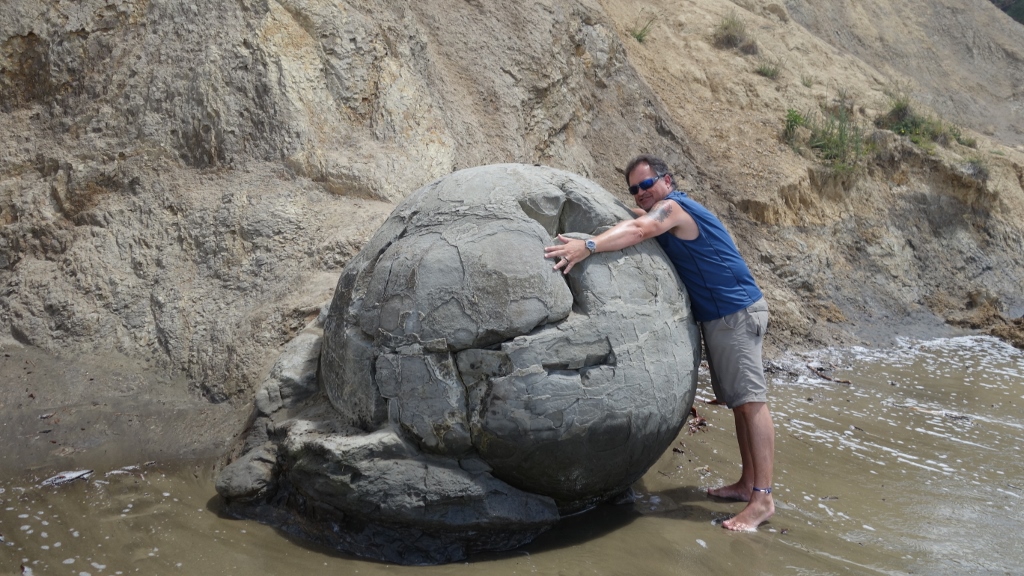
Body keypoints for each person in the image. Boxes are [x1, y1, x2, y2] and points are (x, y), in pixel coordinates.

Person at [543, 154, 774, 532]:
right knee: (739, 404)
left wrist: (589, 244)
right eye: (634, 188)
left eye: (647, 184)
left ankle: (763, 499)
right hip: (720, 317)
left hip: (735, 314)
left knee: (751, 404)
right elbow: (636, 219)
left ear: (667, 181)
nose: (641, 192)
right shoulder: (666, 208)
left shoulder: (675, 208)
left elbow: (638, 231)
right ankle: (748, 483)